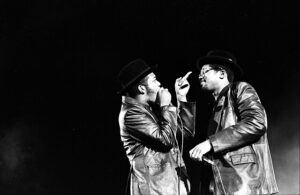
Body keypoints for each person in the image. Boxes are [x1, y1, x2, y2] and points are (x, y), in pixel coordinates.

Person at [189, 50, 279, 195]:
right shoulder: (216, 107)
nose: (200, 75)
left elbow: (256, 122)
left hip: (246, 186)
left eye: (205, 71)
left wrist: (210, 143)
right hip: (226, 188)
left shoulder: (240, 88)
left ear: (222, 73)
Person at [117, 58, 196, 195]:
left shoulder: (150, 110)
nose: (159, 84)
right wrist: (166, 106)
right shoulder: (131, 114)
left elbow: (185, 133)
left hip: (169, 187)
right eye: (154, 80)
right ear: (142, 88)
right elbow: (165, 140)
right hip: (155, 190)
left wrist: (181, 97)